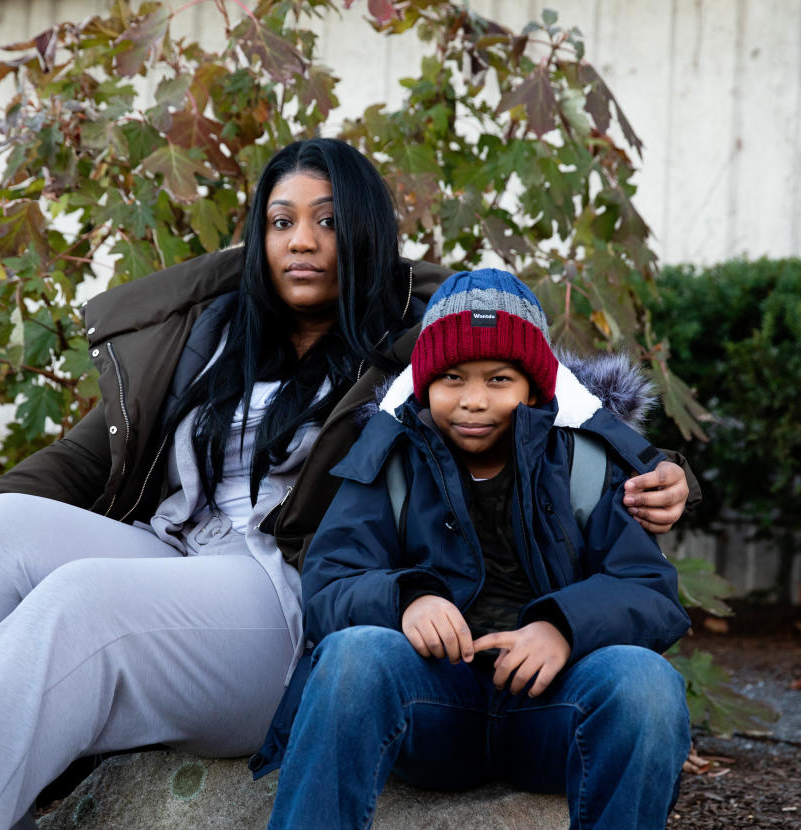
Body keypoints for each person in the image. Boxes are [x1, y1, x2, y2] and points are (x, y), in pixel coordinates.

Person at [0, 139, 693, 829]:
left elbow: (536, 374)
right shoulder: (211, 334)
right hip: (171, 556)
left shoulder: (402, 333)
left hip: (283, 593)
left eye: (327, 220)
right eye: (280, 220)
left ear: (364, 233)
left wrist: (656, 468)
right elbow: (82, 456)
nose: (302, 239)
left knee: (81, 601)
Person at [259, 268, 693, 830]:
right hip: (434, 706)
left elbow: (650, 589)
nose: (472, 401)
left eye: (498, 380)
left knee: (648, 685)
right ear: (424, 385)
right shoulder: (392, 460)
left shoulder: (584, 464)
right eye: (453, 378)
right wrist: (407, 599)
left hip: (553, 708)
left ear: (534, 388)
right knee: (351, 658)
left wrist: (563, 628)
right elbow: (330, 579)